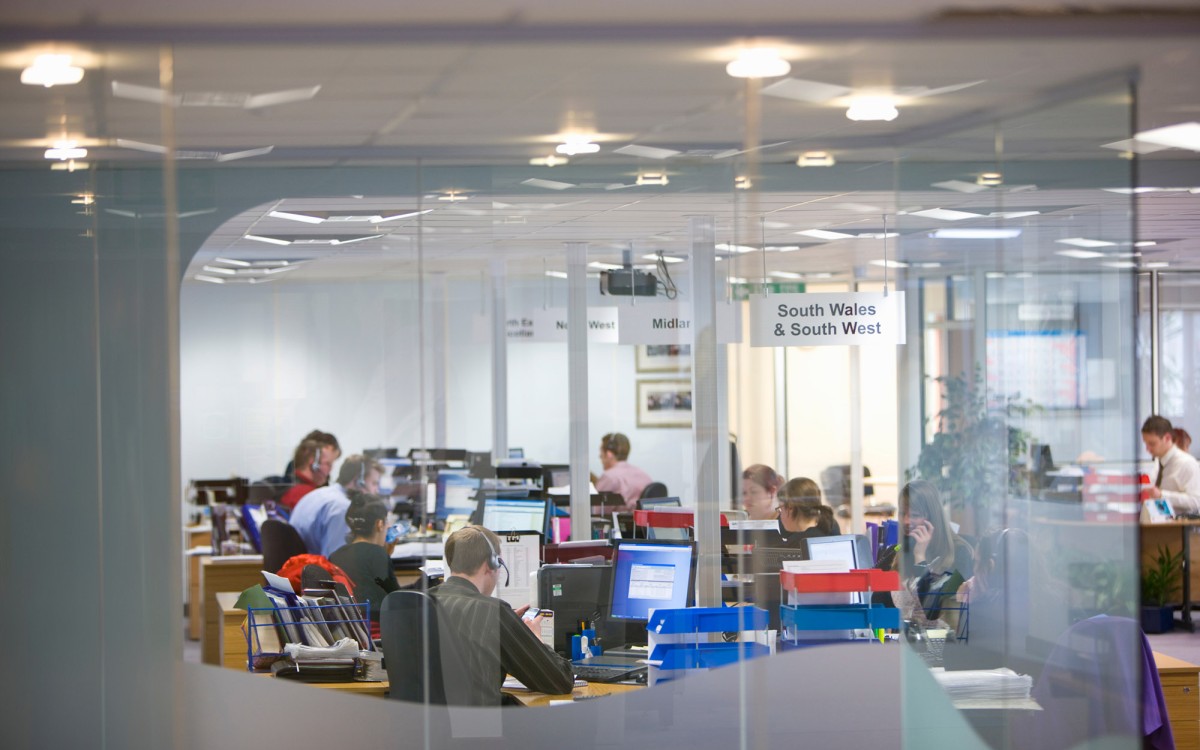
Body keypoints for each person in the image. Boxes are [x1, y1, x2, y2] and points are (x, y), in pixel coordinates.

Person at [430, 525, 574, 706]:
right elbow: (560, 681)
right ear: (490, 564)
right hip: (477, 729)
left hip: (421, 728)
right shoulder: (493, 614)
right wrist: (537, 639)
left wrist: (509, 624)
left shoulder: (418, 602)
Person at [328, 490, 417, 639]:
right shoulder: (377, 554)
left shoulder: (335, 555)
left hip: (351, 632)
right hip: (378, 633)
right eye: (387, 521)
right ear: (379, 524)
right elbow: (396, 598)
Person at [889, 480, 974, 627]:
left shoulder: (960, 554)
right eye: (903, 514)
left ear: (933, 518)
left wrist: (920, 559)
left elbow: (932, 609)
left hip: (940, 645)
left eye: (915, 515)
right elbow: (878, 600)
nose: (906, 521)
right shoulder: (901, 551)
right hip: (905, 640)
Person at [290, 454, 382, 557]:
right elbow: (336, 562)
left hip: (298, 566)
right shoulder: (342, 508)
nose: (377, 490)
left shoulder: (318, 493)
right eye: (374, 483)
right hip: (313, 568)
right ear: (358, 481)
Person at [1142, 415, 1200, 515]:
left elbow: (1196, 501)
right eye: (1146, 444)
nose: (1147, 449)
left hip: (1179, 528)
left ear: (1167, 438)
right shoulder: (1159, 464)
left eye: (1152, 444)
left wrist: (1162, 495)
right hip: (1157, 525)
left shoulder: (1187, 463)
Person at [592, 433, 653, 509]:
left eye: (601, 454)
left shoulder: (609, 477)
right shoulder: (644, 475)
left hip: (620, 521)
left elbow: (595, 510)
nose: (600, 458)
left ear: (608, 454)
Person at [279, 438, 337, 512]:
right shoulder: (308, 495)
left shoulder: (289, 486)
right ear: (313, 463)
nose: (330, 469)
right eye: (327, 464)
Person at [776, 476, 840, 543]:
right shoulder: (831, 526)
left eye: (780, 508)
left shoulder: (797, 544)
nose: (779, 514)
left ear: (790, 507)